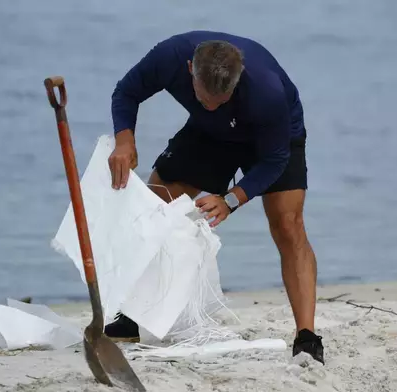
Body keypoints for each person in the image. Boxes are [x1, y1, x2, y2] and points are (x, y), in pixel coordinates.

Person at [104, 30, 323, 364]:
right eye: (204, 99)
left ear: (238, 80)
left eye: (221, 100)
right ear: (190, 68)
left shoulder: (266, 91)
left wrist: (232, 198)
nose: (211, 104)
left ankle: (307, 338)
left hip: (274, 142)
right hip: (211, 133)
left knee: (288, 226)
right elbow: (127, 91)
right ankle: (135, 314)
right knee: (155, 208)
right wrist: (124, 140)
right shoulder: (170, 56)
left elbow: (276, 160)